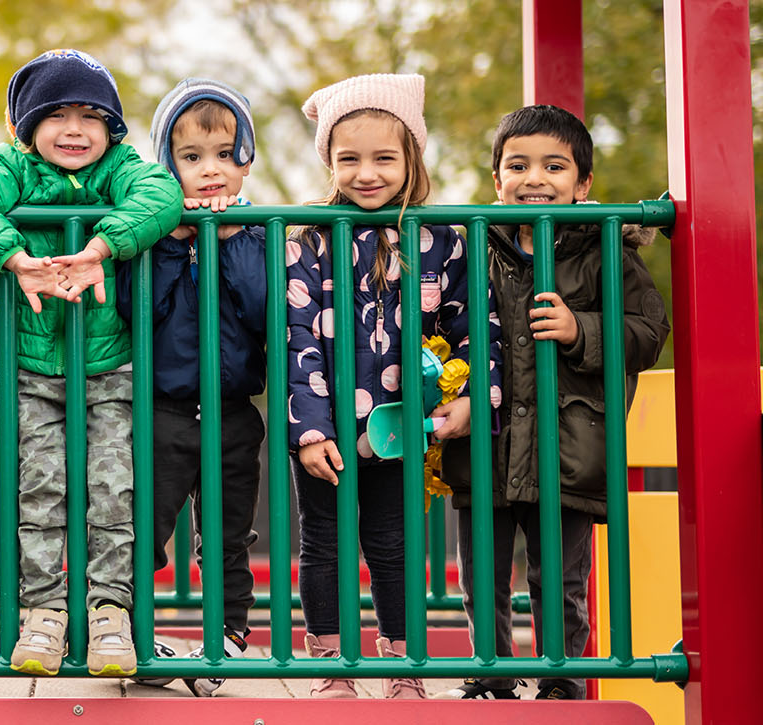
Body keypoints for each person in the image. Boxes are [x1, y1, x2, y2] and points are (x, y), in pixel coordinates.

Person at [0, 49, 182, 677]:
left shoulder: (123, 168)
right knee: (40, 491)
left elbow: (162, 195)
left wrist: (100, 246)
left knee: (112, 488)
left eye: (92, 116)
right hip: (30, 365)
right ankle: (43, 613)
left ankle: (109, 612)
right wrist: (17, 259)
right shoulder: (10, 167)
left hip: (112, 364)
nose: (75, 130)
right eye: (57, 115)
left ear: (112, 129)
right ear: (27, 127)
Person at [436, 105, 669, 701]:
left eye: (554, 166)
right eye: (517, 165)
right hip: (486, 445)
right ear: (496, 180)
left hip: (567, 446)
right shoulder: (474, 246)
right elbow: (442, 318)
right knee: (480, 578)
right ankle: (491, 673)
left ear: (582, 184)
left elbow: (647, 332)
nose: (534, 178)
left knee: (560, 578)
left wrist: (581, 329)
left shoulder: (603, 249)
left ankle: (561, 679)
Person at [286, 73, 501, 699]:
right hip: (325, 424)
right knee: (320, 542)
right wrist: (309, 431)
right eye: (348, 158)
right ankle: (329, 659)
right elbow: (298, 337)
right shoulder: (311, 240)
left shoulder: (442, 242)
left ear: (412, 157)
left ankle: (404, 663)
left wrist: (469, 399)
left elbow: (476, 326)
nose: (366, 173)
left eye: (384, 157)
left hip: (398, 424)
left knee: (393, 542)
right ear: (329, 161)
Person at [116, 78, 265, 697]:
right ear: (167, 164)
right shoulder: (153, 238)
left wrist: (227, 245)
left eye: (226, 155)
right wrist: (177, 242)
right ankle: (132, 629)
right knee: (146, 522)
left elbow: (263, 309)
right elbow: (133, 308)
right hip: (165, 410)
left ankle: (227, 635)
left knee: (230, 532)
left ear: (246, 162)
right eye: (192, 157)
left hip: (231, 411)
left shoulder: (257, 233)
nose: (211, 171)